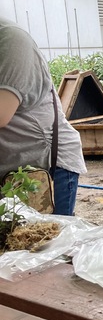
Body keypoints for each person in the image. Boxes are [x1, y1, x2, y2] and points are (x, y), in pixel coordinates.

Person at [0, 17, 86, 215]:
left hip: (42, 164)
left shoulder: (10, 39)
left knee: (44, 241)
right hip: (9, 163)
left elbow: (2, 113)